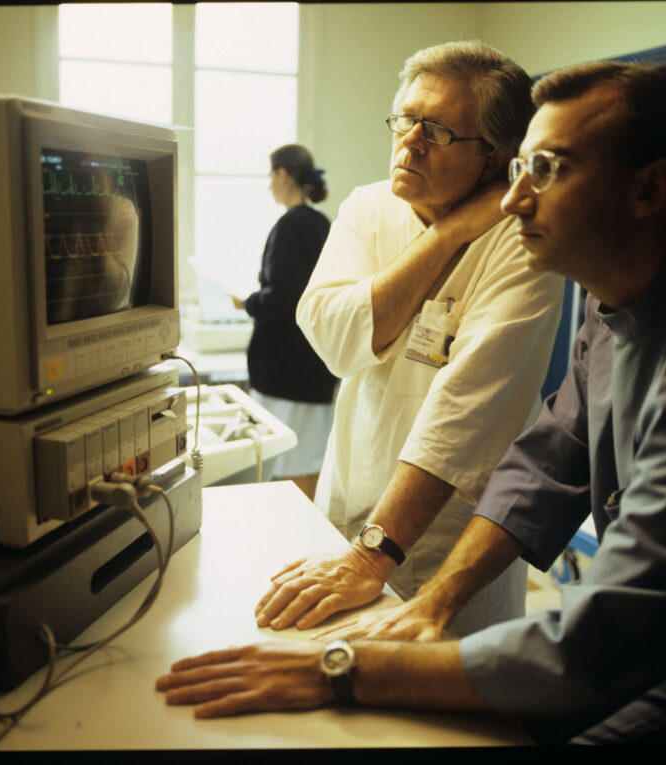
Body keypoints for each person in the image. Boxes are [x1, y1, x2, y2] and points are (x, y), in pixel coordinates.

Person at [156, 61, 666, 752]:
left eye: (547, 169)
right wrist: (433, 601)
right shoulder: (616, 293)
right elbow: (551, 456)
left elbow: (601, 642)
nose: (515, 199)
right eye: (521, 167)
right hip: (648, 647)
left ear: (650, 187)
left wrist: (342, 669)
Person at [254, 41, 565, 637]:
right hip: (345, 518)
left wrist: (374, 553)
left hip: (447, 545)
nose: (410, 141)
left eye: (440, 132)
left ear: (494, 157)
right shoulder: (368, 207)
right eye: (405, 118)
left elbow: (467, 408)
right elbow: (333, 338)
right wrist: (447, 234)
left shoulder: (522, 241)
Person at [232, 145, 337, 500]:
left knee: (283, 467)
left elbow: (284, 295)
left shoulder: (290, 225)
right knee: (309, 461)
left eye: (270, 177)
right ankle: (307, 544)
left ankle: (294, 546)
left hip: (285, 371)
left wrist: (248, 302)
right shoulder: (322, 223)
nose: (269, 186)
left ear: (282, 174)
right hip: (316, 366)